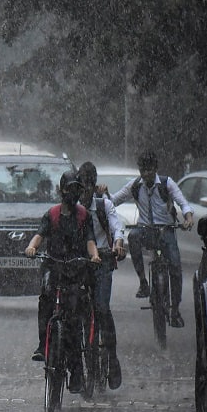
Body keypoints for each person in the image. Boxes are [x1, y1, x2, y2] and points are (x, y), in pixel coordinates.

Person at [25, 170, 101, 393]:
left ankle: (76, 370)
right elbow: (39, 236)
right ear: (62, 191)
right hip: (53, 267)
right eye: (70, 189)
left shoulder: (84, 215)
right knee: (46, 300)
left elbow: (90, 240)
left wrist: (94, 255)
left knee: (74, 319)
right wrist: (32, 247)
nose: (74, 194)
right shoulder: (52, 214)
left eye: (78, 189)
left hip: (75, 270)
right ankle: (43, 345)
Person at [107, 151, 194, 328]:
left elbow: (183, 202)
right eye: (142, 170)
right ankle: (143, 282)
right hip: (145, 230)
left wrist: (188, 217)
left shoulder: (166, 183)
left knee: (176, 267)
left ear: (155, 169)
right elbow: (113, 201)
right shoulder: (135, 185)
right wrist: (103, 195)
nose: (145, 174)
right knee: (132, 237)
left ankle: (175, 309)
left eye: (149, 170)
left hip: (166, 230)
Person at [77, 161, 126, 389]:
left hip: (103, 260)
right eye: (81, 186)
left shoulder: (104, 205)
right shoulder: (73, 207)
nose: (84, 191)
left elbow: (117, 228)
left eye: (88, 186)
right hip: (80, 263)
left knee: (103, 309)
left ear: (94, 185)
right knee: (74, 310)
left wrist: (117, 244)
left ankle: (112, 358)